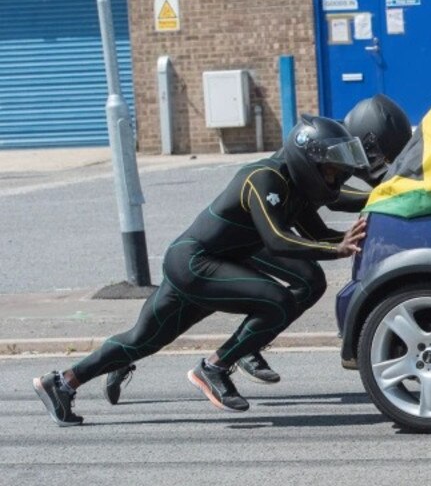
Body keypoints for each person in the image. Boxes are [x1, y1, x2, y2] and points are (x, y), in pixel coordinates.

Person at [33, 115, 370, 426]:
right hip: (194, 263)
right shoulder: (264, 179)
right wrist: (336, 248)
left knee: (140, 341)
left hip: (212, 266)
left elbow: (317, 236)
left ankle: (61, 383)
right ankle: (215, 367)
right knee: (275, 300)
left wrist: (355, 238)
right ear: (307, 162)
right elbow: (278, 241)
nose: (336, 178)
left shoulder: (295, 188)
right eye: (330, 171)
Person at [101, 95, 414, 398]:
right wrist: (381, 197)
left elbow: (348, 193)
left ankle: (246, 344)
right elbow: (335, 197)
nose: (378, 165)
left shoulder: (347, 143)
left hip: (270, 228)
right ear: (369, 141)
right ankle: (240, 349)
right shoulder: (324, 142)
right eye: (382, 156)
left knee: (308, 282)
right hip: (257, 230)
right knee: (297, 284)